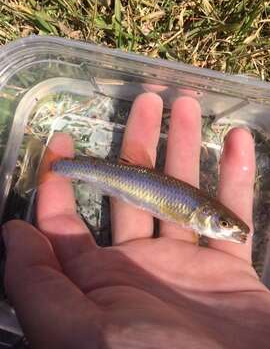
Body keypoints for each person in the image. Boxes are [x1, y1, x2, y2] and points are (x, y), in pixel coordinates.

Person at [2, 93, 270, 349]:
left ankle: (55, 166)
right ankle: (54, 165)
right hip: (127, 181)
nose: (227, 230)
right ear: (204, 214)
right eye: (223, 224)